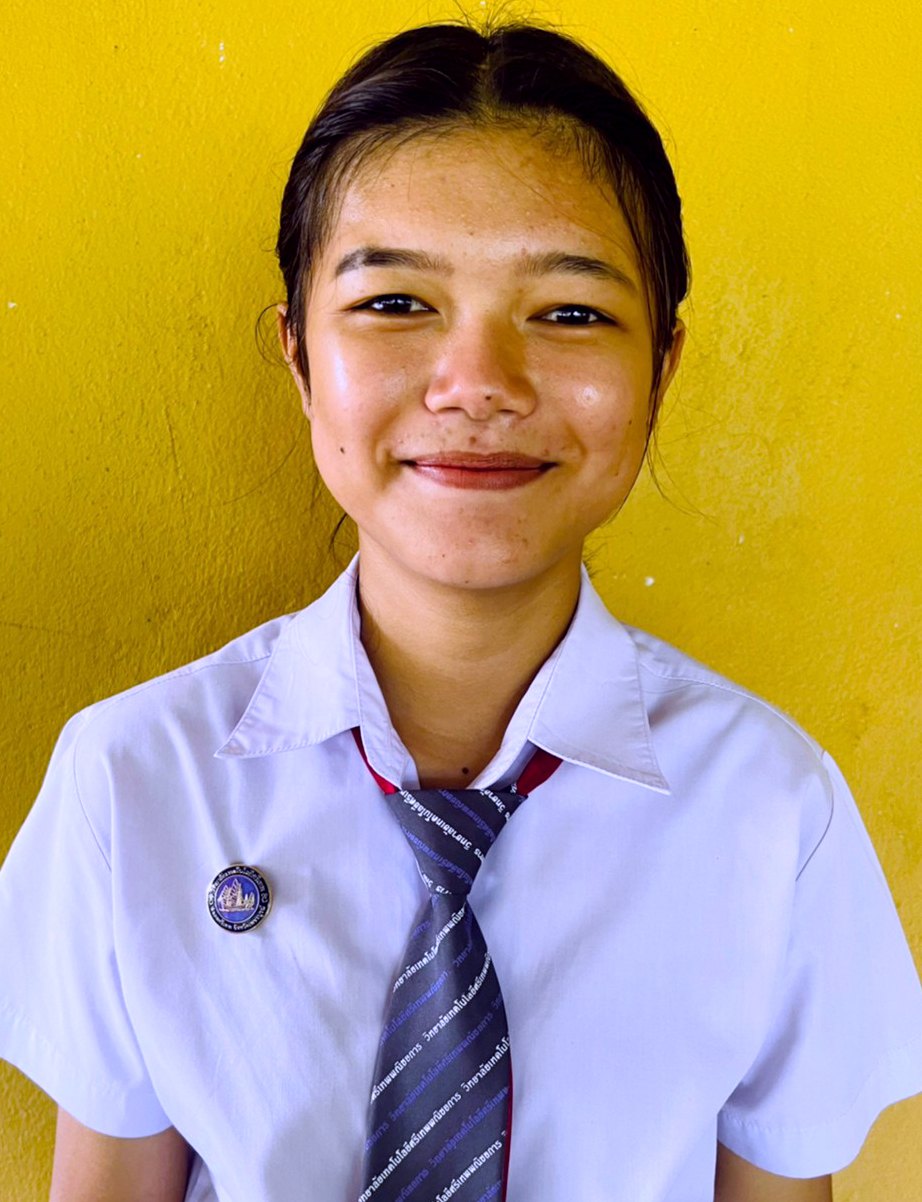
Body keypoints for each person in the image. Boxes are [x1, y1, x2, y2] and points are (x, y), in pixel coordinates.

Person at [1, 18, 921, 1202]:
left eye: (571, 312)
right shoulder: (136, 780)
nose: (479, 381)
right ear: (298, 356)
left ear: (662, 366)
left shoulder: (771, 813)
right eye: (394, 301)